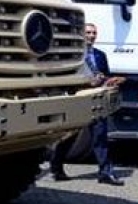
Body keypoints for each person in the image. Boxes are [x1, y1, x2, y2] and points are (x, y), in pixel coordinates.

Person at [50, 23, 123, 186]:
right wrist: (86, 82)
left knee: (100, 136)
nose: (91, 36)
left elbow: (107, 76)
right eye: (88, 32)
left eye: (94, 33)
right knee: (69, 135)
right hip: (78, 99)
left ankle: (105, 172)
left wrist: (105, 80)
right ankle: (56, 167)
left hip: (96, 100)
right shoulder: (73, 55)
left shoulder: (100, 55)